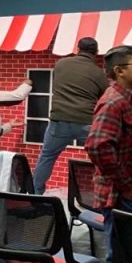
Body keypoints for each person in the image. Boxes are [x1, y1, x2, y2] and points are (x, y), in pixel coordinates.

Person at [85, 46, 132, 263]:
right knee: (125, 259)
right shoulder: (114, 102)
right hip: (129, 194)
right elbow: (97, 146)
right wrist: (125, 184)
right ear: (119, 71)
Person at [33, 37, 108, 194]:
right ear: (96, 52)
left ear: (78, 49)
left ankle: (36, 194)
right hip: (86, 122)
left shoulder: (61, 64)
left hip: (59, 121)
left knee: (47, 157)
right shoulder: (98, 73)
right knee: (102, 160)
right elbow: (105, 96)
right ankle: (105, 195)